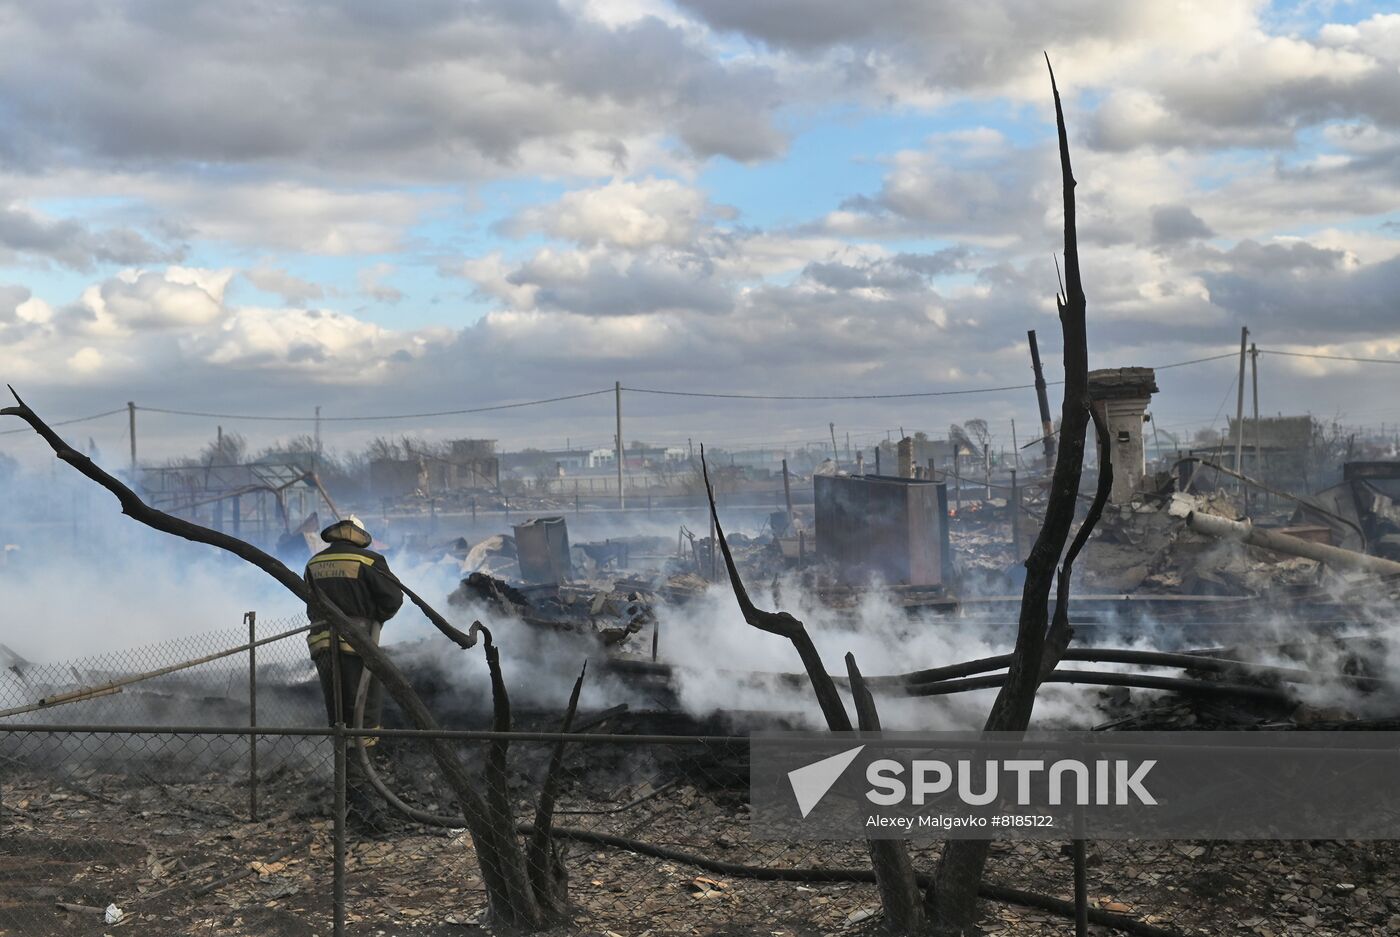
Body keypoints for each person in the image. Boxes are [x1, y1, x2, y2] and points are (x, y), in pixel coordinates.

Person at [303, 515, 403, 828]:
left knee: (338, 717)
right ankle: (361, 791)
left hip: (322, 647)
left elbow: (309, 604)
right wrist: (373, 618)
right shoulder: (369, 560)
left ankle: (345, 784)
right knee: (364, 717)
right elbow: (393, 599)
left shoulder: (314, 563)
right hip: (357, 648)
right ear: (359, 536)